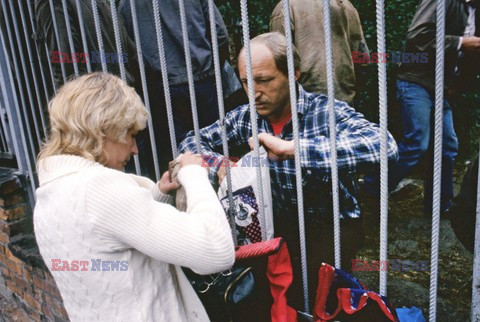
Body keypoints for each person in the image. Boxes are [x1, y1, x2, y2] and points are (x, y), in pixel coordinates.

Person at [178, 32, 398, 310]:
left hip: (330, 225)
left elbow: (384, 145)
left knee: (316, 300)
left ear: (293, 73)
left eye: (264, 80)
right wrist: (219, 166)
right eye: (246, 82)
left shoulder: (326, 112)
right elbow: (190, 143)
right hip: (275, 223)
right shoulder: (246, 116)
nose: (253, 92)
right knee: (262, 296)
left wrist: (294, 149)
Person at [33, 73, 235, 321]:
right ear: (104, 130)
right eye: (129, 134)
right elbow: (217, 251)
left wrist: (158, 195)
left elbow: (110, 244)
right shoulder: (98, 190)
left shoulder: (49, 196)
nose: (135, 149)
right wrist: (195, 174)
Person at [365, 0, 480, 215]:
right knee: (418, 142)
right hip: (416, 81)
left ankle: (439, 206)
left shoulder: (476, 11)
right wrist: (460, 42)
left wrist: (457, 85)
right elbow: (416, 37)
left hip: (442, 87)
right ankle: (371, 188)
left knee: (447, 145)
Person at [119, 0, 240, 174]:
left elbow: (128, 51)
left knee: (177, 162)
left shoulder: (127, 4)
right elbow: (219, 33)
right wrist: (212, 68)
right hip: (203, 83)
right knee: (217, 153)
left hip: (161, 91)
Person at [270, 0, 369, 106]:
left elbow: (278, 61)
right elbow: (363, 59)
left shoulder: (286, 6)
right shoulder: (347, 6)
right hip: (343, 99)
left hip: (306, 101)